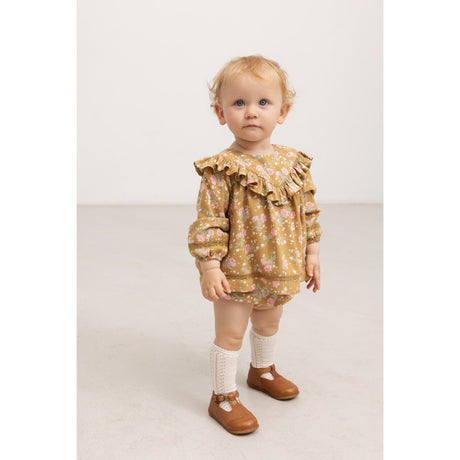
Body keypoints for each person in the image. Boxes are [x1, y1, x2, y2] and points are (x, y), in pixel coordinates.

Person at [187, 55, 322, 435]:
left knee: (268, 321)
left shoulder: (293, 164)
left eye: (263, 102)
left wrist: (312, 252)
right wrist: (210, 266)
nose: (251, 112)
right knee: (231, 332)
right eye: (238, 103)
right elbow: (210, 220)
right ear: (220, 113)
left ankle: (261, 370)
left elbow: (308, 210)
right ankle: (222, 396)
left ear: (282, 111)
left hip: (280, 266)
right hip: (237, 271)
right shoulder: (221, 170)